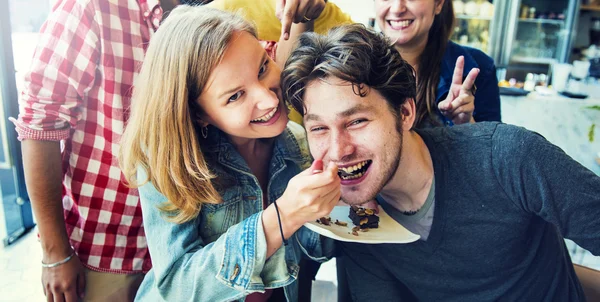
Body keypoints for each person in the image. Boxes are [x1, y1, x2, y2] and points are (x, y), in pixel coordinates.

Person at [280, 24, 600, 300]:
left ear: (405, 113)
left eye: (356, 122)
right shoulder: (353, 223)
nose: (338, 150)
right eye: (319, 128)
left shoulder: (510, 157)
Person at [119, 5, 339, 301]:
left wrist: (344, 196)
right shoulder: (167, 163)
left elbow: (313, 250)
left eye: (262, 68)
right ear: (198, 114)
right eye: (235, 96)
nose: (268, 99)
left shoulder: (296, 143)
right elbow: (177, 286)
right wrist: (282, 217)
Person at [9, 0, 198, 300]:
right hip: (105, 253)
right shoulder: (89, 7)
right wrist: (55, 252)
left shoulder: (205, 10)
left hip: (185, 247)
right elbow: (39, 127)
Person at [206, 0, 352, 125]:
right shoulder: (216, 18)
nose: (271, 101)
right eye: (235, 96)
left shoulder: (347, 29)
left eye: (262, 69)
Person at [374, 0, 501, 127]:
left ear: (439, 4)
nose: (397, 9)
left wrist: (466, 125)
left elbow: (494, 144)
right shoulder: (356, 67)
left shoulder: (479, 67)